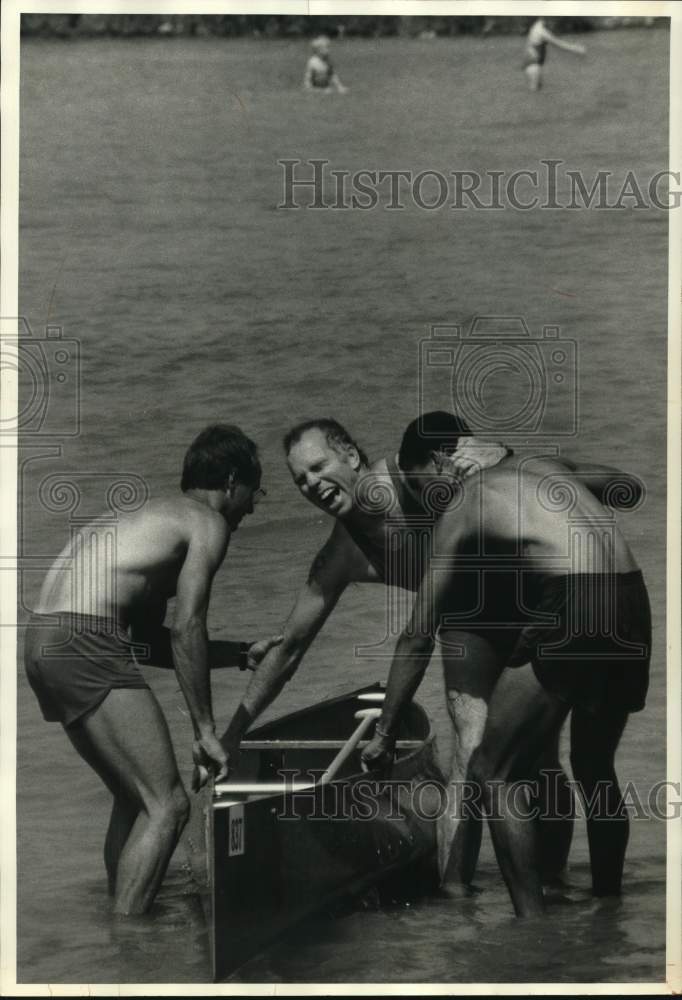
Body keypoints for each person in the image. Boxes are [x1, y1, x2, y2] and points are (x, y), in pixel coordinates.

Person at [221, 414, 635, 890]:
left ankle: (551, 882)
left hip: (534, 605)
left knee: (539, 761)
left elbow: (543, 479)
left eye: (318, 466)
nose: (311, 484)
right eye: (300, 480)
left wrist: (500, 453)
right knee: (474, 748)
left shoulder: (416, 474)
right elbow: (290, 646)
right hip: (466, 622)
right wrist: (234, 733)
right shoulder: (343, 552)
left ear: (351, 456)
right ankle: (458, 890)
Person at [360, 417, 650, 917]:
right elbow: (628, 488)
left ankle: (532, 927)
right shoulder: (542, 464)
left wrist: (385, 732)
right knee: (593, 764)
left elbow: (417, 634)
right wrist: (545, 477)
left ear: (440, 461)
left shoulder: (460, 501)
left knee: (493, 769)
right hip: (629, 595)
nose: (427, 500)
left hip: (575, 600)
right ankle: (609, 908)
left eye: (418, 484)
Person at [23, 424, 281, 915]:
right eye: (255, 491)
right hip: (85, 640)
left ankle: (118, 924)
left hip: (42, 639)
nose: (251, 506)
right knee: (169, 805)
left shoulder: (148, 518)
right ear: (231, 482)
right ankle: (132, 939)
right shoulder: (206, 523)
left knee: (134, 797)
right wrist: (206, 730)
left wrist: (240, 653)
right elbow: (188, 628)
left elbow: (142, 643)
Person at [523, 18, 586, 91]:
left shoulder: (537, 26)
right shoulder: (541, 31)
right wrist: (575, 48)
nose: (553, 22)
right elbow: (558, 44)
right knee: (534, 95)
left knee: (536, 96)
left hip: (532, 64)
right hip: (534, 65)